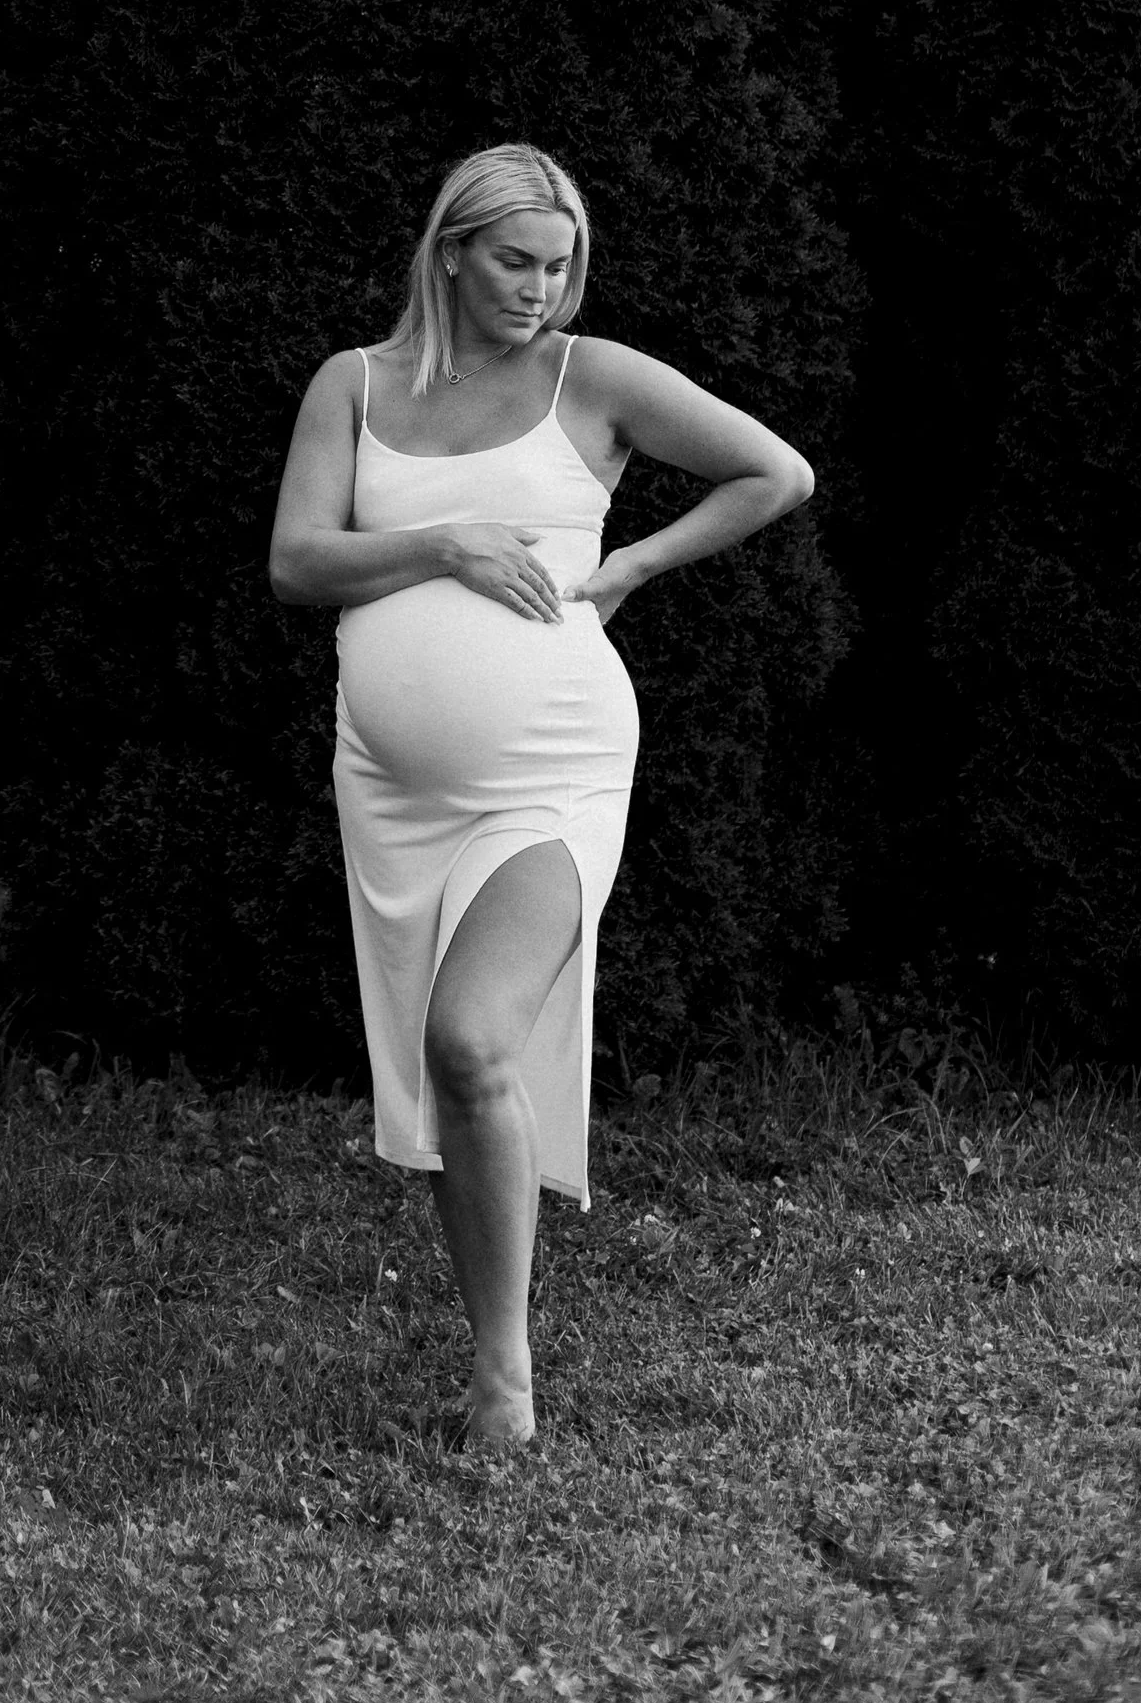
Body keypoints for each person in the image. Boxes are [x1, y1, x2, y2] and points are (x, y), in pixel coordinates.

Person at [267, 142, 815, 1448]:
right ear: (450, 248)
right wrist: (440, 540)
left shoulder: (592, 376)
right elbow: (297, 561)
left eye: (560, 263)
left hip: (555, 768)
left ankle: (504, 1375)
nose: (539, 287)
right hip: (396, 789)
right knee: (446, 1070)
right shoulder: (354, 385)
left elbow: (775, 472)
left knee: (469, 1038)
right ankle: (487, 1340)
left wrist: (628, 564)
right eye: (514, 259)